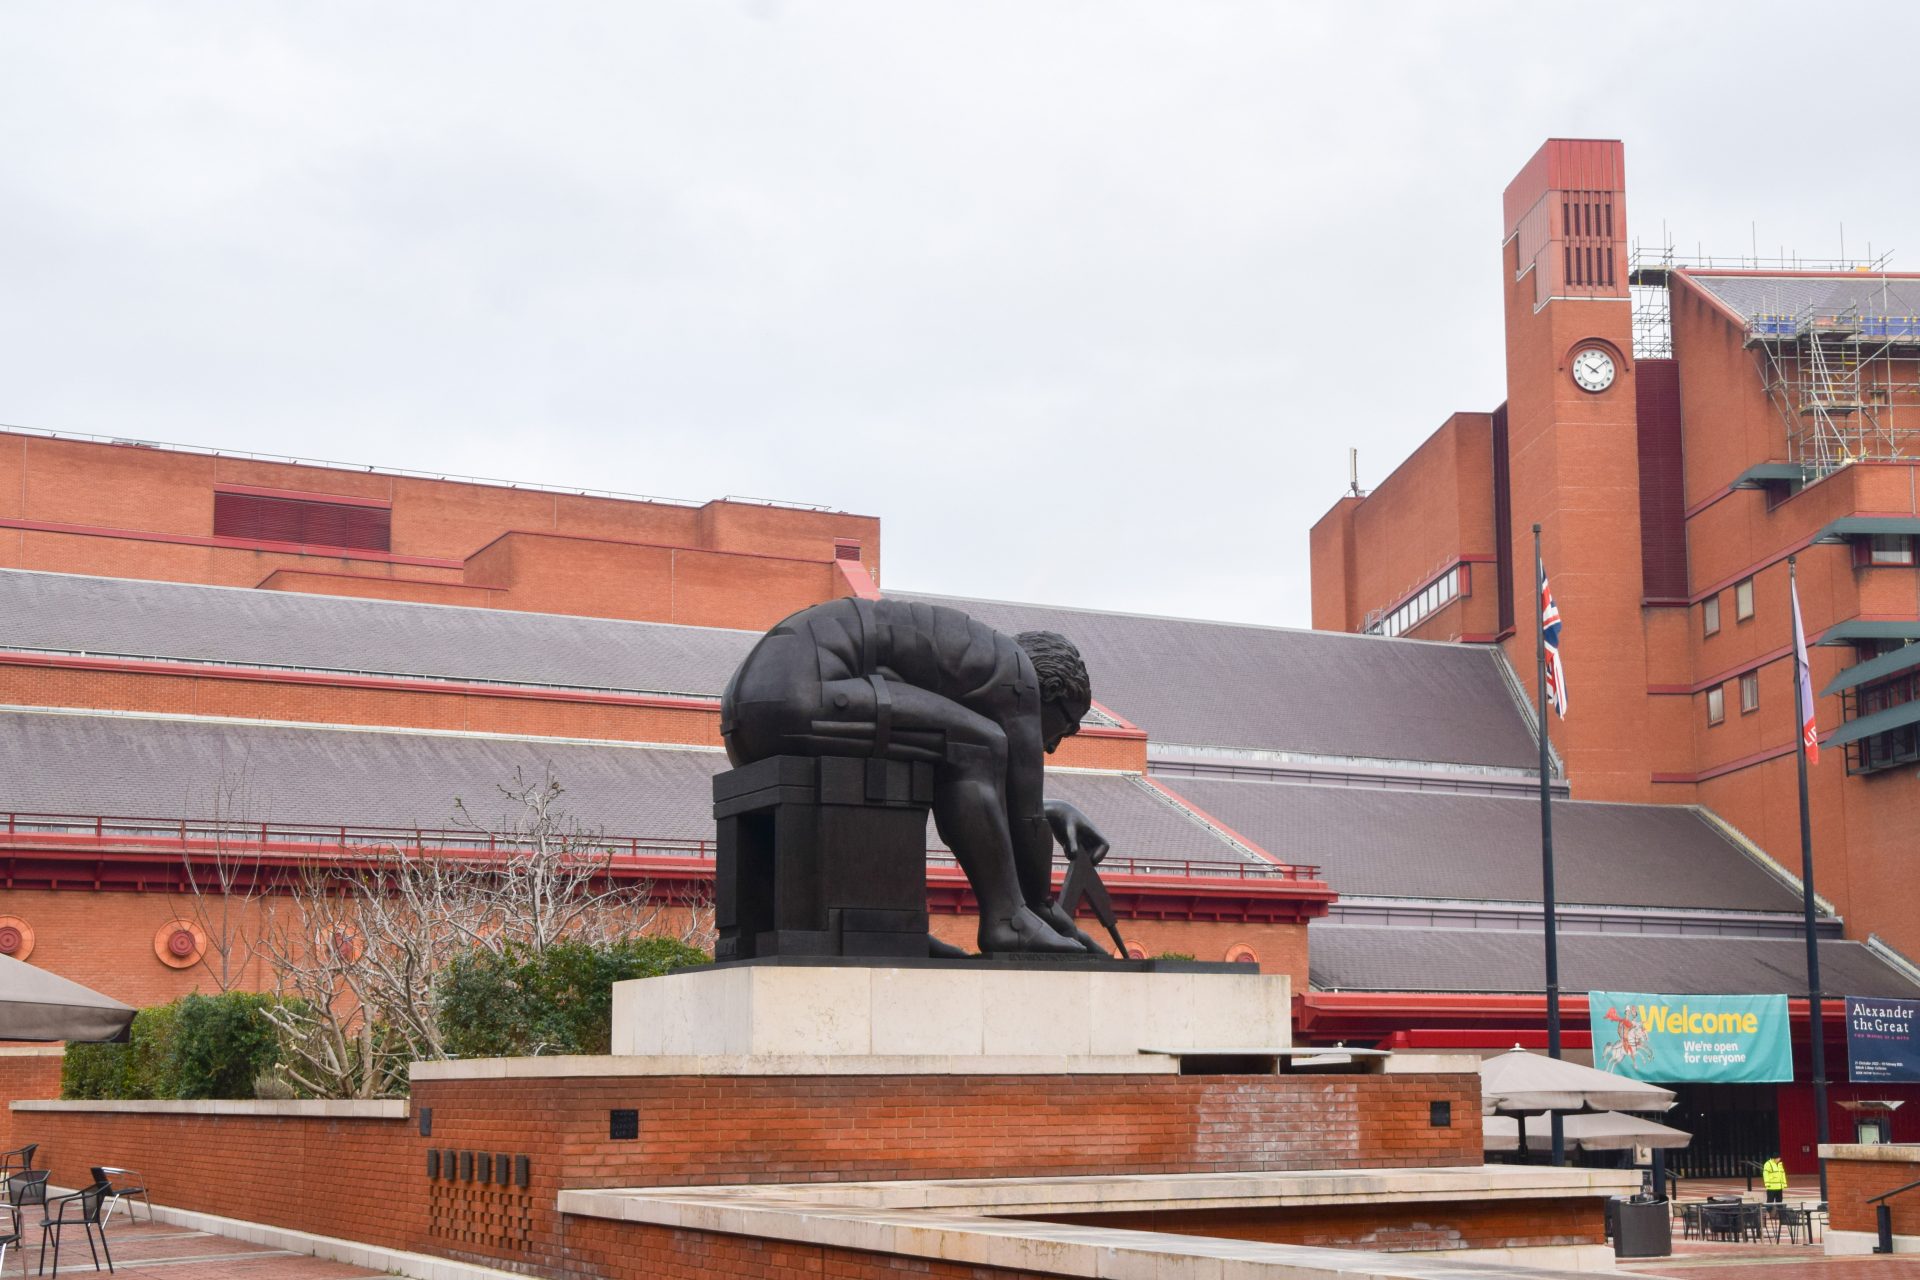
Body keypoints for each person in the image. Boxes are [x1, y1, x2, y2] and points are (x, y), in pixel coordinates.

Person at [721, 597, 1110, 956]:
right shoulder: (1018, 674)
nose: (1054, 746)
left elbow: (993, 799)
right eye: (1066, 727)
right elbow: (1023, 812)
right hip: (801, 692)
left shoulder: (977, 660)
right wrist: (1041, 907)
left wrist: (1052, 811)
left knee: (937, 750)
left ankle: (887, 930)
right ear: (1052, 691)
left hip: (746, 716)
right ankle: (1007, 921)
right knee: (979, 744)